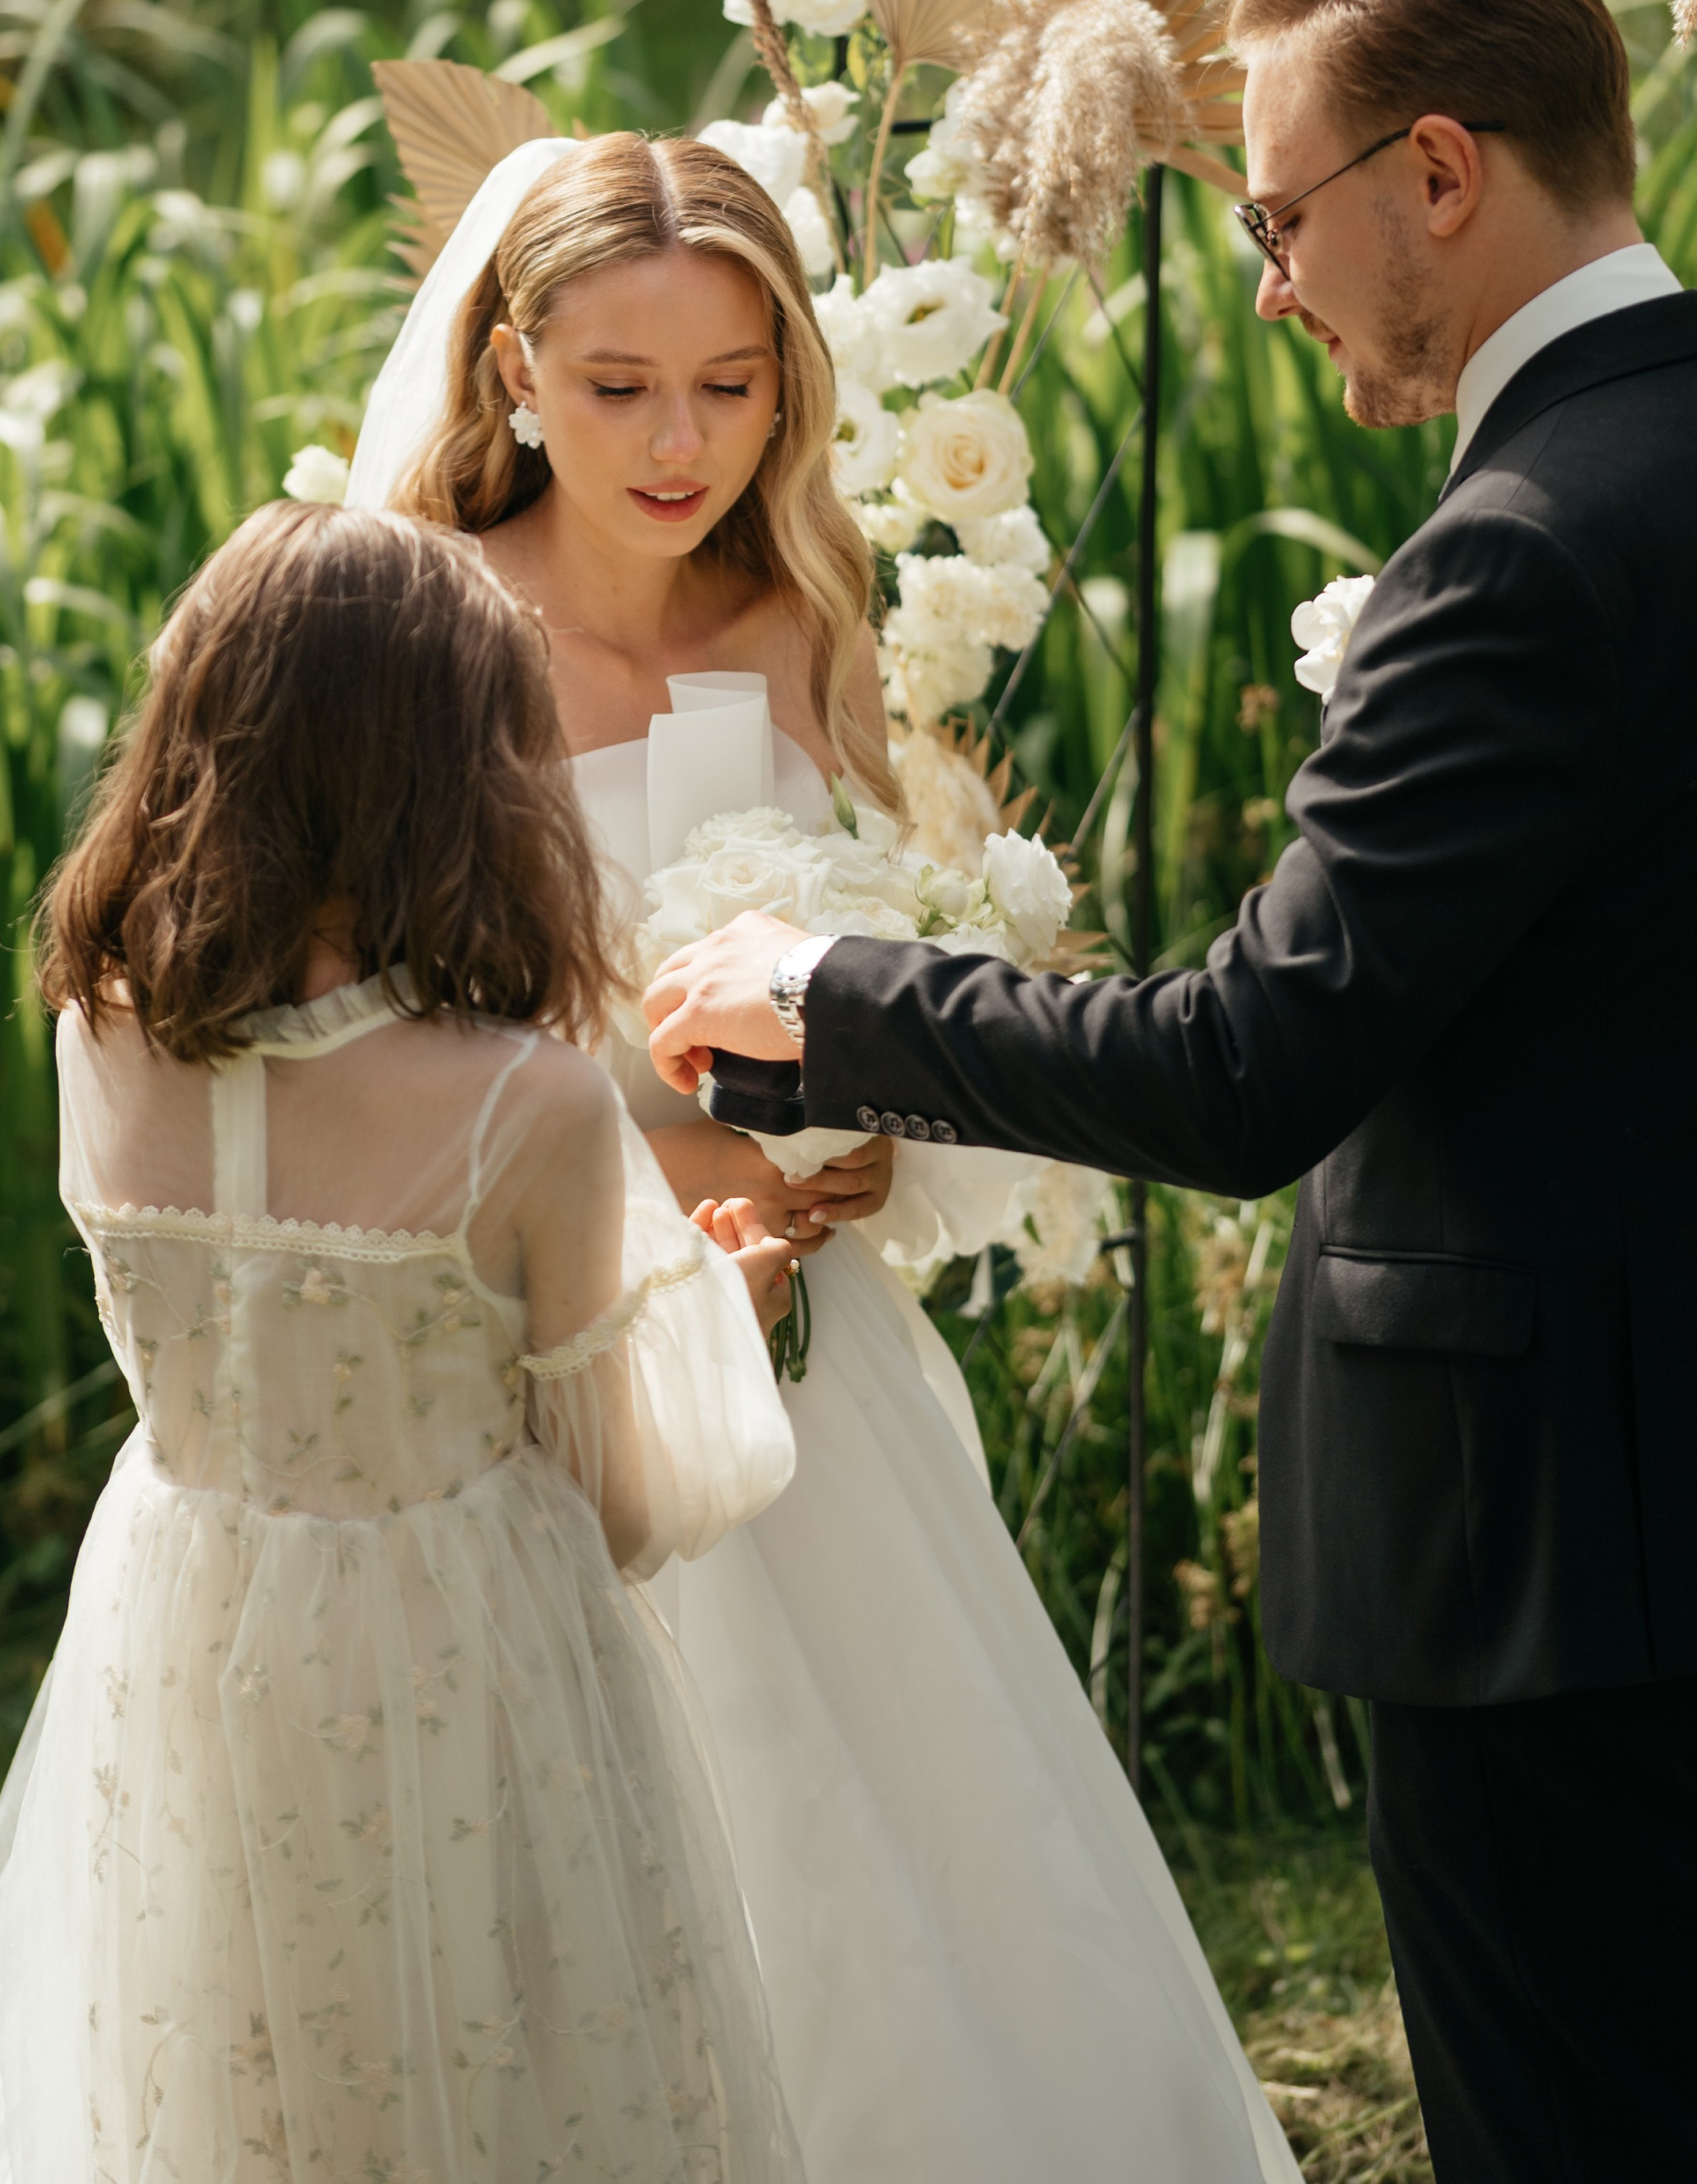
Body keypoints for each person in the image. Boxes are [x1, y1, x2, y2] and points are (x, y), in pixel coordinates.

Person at [643, 0, 1697, 2184]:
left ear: (1440, 175)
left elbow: (1247, 1066)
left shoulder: (1520, 554)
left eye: (1280, 213)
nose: (1266, 279)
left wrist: (832, 1000)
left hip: (1550, 1543)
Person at [347, 127, 1301, 2183]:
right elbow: (370, 1044)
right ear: (514, 367)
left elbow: (851, 943)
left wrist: (876, 1117)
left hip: (804, 1339)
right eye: (619, 386)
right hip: (531, 1343)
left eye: (732, 380)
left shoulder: (790, 620)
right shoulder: (418, 641)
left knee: (895, 1812)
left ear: (791, 379)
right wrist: (645, 1152)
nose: (680, 439)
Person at [0, 502, 806, 2184]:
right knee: (490, 2061)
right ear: (457, 770)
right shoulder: (518, 1103)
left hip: (181, 1613)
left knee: (222, 2055)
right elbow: (613, 1507)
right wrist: (723, 1310)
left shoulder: (96, 1037)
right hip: (459, 1655)